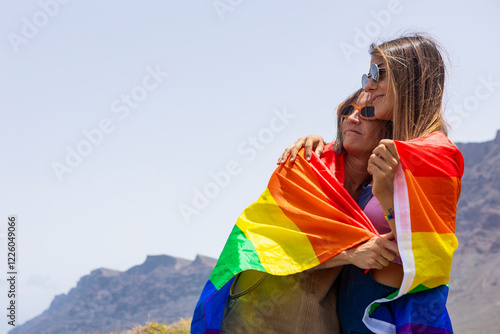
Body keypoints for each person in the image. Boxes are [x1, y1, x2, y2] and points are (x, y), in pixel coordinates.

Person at [277, 34, 462, 333]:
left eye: (379, 73)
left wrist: (387, 196)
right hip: (350, 320)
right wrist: (321, 143)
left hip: (387, 321)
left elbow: (428, 257)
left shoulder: (435, 155)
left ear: (411, 77)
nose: (368, 85)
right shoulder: (389, 155)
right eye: (368, 75)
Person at [218, 88, 397, 334]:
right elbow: (274, 244)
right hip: (264, 299)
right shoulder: (306, 164)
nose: (353, 118)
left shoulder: (380, 188)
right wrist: (350, 254)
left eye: (367, 113)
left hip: (319, 307)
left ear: (389, 128)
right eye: (347, 110)